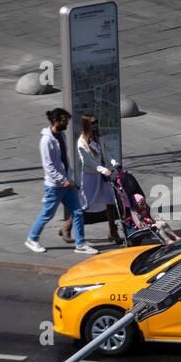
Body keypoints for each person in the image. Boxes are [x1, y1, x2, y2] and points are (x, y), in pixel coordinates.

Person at [26, 109, 96, 255]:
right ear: (55, 121)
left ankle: (80, 244)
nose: (67, 124)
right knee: (47, 214)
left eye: (67, 121)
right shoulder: (46, 140)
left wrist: (69, 177)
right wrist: (63, 180)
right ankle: (32, 239)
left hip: (66, 183)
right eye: (65, 121)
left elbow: (64, 159)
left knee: (77, 212)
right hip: (55, 186)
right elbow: (48, 166)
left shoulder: (61, 135)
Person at [75, 114, 123, 246]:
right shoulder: (82, 142)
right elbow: (88, 161)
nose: (95, 125)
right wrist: (102, 169)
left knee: (110, 202)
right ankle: (67, 226)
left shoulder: (99, 137)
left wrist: (113, 162)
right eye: (93, 123)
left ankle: (112, 231)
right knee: (84, 204)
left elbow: (106, 154)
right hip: (90, 176)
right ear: (86, 125)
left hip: (103, 176)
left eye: (97, 122)